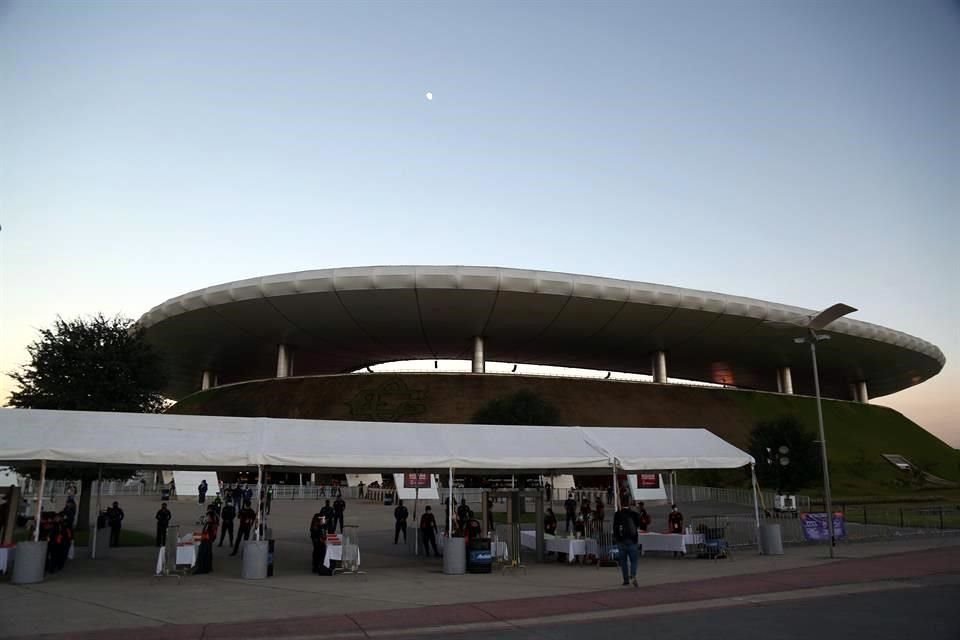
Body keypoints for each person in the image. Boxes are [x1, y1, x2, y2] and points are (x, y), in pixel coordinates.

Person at [613, 502, 641, 587]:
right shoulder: (633, 514)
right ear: (629, 505)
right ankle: (633, 575)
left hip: (621, 541)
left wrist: (617, 538)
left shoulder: (617, 514)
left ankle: (625, 580)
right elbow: (638, 525)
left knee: (623, 562)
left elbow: (614, 527)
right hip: (632, 541)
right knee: (634, 561)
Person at [194, 506, 218, 574]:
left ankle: (202, 569)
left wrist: (198, 536)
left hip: (207, 539)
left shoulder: (211, 522)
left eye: (207, 517)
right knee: (208, 554)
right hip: (208, 539)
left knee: (203, 554)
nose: (206, 518)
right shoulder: (213, 520)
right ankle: (208, 567)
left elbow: (208, 533)